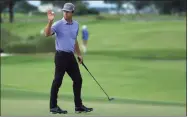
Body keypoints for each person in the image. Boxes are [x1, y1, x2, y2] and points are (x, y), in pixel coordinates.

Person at [44, 3, 93, 114]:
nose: (65, 13)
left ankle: (78, 106)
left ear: (72, 13)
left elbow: (74, 40)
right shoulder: (58, 24)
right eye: (64, 11)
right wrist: (50, 21)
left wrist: (79, 54)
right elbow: (47, 34)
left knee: (78, 80)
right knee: (58, 80)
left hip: (70, 56)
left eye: (68, 11)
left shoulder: (76, 25)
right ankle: (53, 107)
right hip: (61, 56)